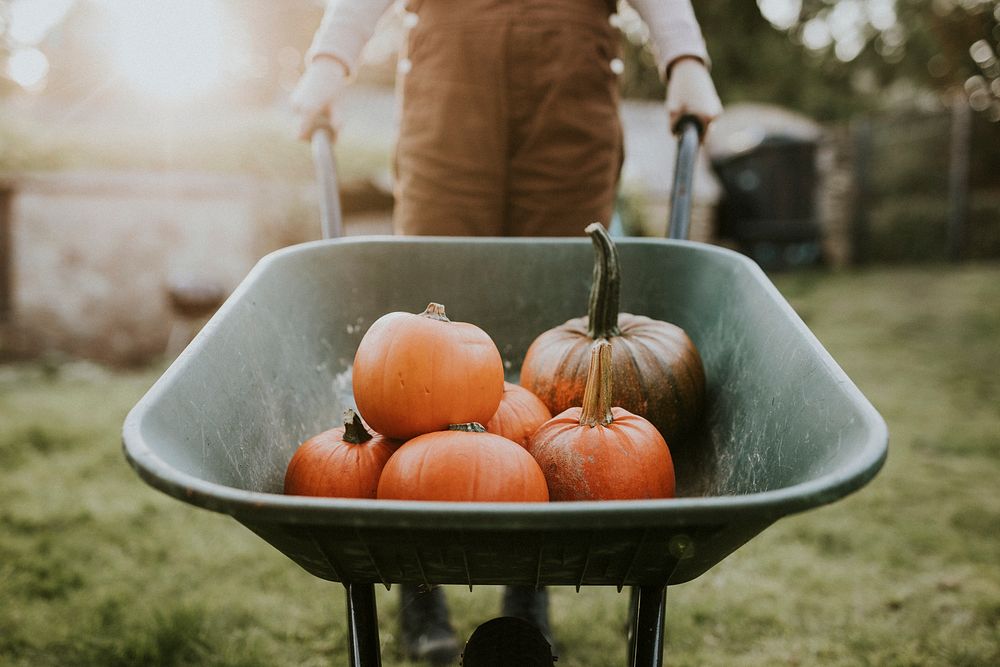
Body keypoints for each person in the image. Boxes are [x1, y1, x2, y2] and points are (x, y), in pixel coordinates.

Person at [292, 0, 721, 661]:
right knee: (426, 321)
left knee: (557, 318)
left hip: (570, 66)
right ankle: (418, 579)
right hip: (448, 62)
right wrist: (329, 56)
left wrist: (684, 55)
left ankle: (532, 580)